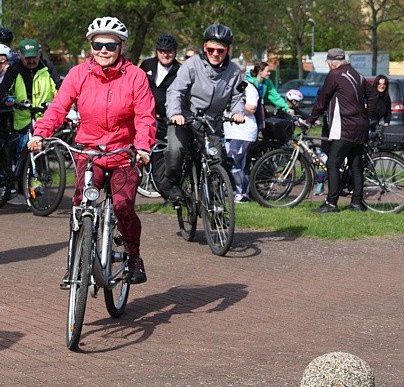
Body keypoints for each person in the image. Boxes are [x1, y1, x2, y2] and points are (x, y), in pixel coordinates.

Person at [28, 16, 155, 284]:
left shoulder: (135, 76)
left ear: (121, 46)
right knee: (79, 205)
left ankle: (134, 257)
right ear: (91, 47)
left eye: (110, 45)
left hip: (125, 154)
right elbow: (58, 108)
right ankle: (74, 262)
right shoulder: (78, 74)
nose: (104, 51)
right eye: (98, 45)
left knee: (122, 206)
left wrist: (142, 147)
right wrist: (41, 133)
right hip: (89, 153)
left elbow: (145, 116)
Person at [164, 24, 245, 205]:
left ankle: (217, 208)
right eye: (210, 49)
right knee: (175, 149)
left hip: (212, 123)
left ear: (227, 50)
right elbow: (175, 91)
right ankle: (174, 184)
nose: (215, 53)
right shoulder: (192, 65)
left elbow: (239, 96)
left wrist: (238, 112)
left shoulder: (233, 71)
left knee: (216, 161)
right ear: (204, 47)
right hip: (185, 119)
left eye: (220, 50)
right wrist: (176, 113)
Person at [307, 48, 375, 213]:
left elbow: (322, 100)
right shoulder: (358, 75)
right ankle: (357, 203)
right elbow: (372, 95)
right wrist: (367, 116)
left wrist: (310, 119)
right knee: (356, 165)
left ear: (331, 63)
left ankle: (331, 203)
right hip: (360, 127)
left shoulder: (334, 75)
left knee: (332, 163)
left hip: (344, 126)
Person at [0, 39, 60, 203]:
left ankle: (34, 184)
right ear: (20, 55)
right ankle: (15, 184)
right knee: (18, 151)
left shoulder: (47, 66)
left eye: (34, 56)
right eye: (27, 57)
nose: (31, 60)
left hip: (43, 117)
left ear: (39, 54)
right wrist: (6, 98)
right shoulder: (14, 69)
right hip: (21, 118)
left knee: (39, 151)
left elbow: (59, 85)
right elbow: (3, 89)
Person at [138, 33, 181, 199]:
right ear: (157, 51)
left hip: (166, 120)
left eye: (169, 51)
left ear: (175, 52)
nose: (165, 54)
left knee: (162, 157)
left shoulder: (180, 70)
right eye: (162, 51)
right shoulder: (147, 65)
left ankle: (169, 192)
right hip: (145, 117)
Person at [224, 74, 260, 203]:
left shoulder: (248, 87)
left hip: (244, 132)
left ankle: (242, 194)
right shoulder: (226, 87)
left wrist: (231, 104)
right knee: (237, 163)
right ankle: (240, 191)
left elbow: (252, 107)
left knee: (235, 162)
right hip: (230, 132)